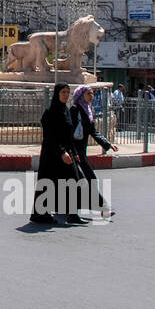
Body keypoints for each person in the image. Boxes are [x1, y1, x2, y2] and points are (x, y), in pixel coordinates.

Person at [29, 83, 88, 226]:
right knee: (48, 184)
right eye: (63, 92)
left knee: (75, 181)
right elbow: (50, 136)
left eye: (68, 92)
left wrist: (74, 152)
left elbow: (69, 135)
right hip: (52, 155)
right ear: (57, 93)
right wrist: (62, 152)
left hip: (67, 153)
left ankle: (72, 213)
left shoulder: (66, 110)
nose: (66, 95)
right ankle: (40, 215)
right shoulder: (50, 112)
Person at [69, 84, 118, 218]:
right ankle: (103, 208)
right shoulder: (74, 110)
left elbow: (93, 131)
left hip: (81, 152)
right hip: (74, 153)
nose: (92, 96)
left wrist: (107, 144)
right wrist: (73, 152)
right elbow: (68, 133)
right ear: (81, 95)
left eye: (92, 93)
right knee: (88, 179)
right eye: (88, 94)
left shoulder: (88, 110)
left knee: (83, 180)